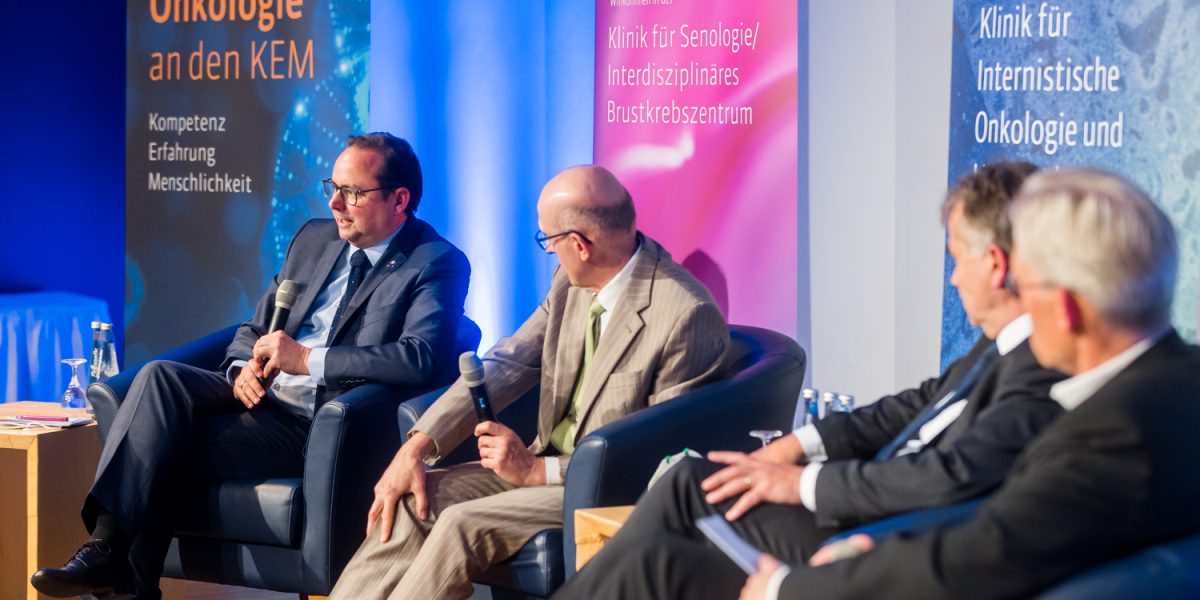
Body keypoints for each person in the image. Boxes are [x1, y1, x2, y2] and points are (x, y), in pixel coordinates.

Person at [554, 162, 1066, 599]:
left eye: (957, 259)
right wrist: (799, 444)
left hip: (878, 534)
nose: (953, 278)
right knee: (689, 479)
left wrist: (804, 482)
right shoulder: (999, 341)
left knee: (657, 560)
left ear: (996, 264)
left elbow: (949, 478)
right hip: (860, 499)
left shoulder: (1039, 368)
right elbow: (916, 404)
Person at [31, 132, 471, 599]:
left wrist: (306, 359)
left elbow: (419, 358)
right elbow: (253, 327)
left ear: (400, 199)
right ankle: (108, 553)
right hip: (260, 396)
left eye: (353, 193)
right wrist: (241, 366)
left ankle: (121, 574)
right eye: (333, 187)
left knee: (162, 447)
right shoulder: (314, 239)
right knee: (158, 377)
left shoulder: (435, 262)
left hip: (318, 424)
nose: (336, 203)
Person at [737, 168, 1200, 599]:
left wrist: (787, 589)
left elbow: (983, 558)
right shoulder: (1179, 381)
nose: (1016, 299)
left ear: (1065, 308)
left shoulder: (1110, 435)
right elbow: (1011, 522)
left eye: (1025, 284)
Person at [328, 165, 730, 599]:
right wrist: (416, 447)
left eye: (549, 241)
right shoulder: (570, 282)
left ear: (580, 244)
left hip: (609, 488)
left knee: (464, 525)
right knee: (413, 500)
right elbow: (508, 363)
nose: (551, 253)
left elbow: (663, 457)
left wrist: (540, 471)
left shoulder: (684, 313)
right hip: (539, 465)